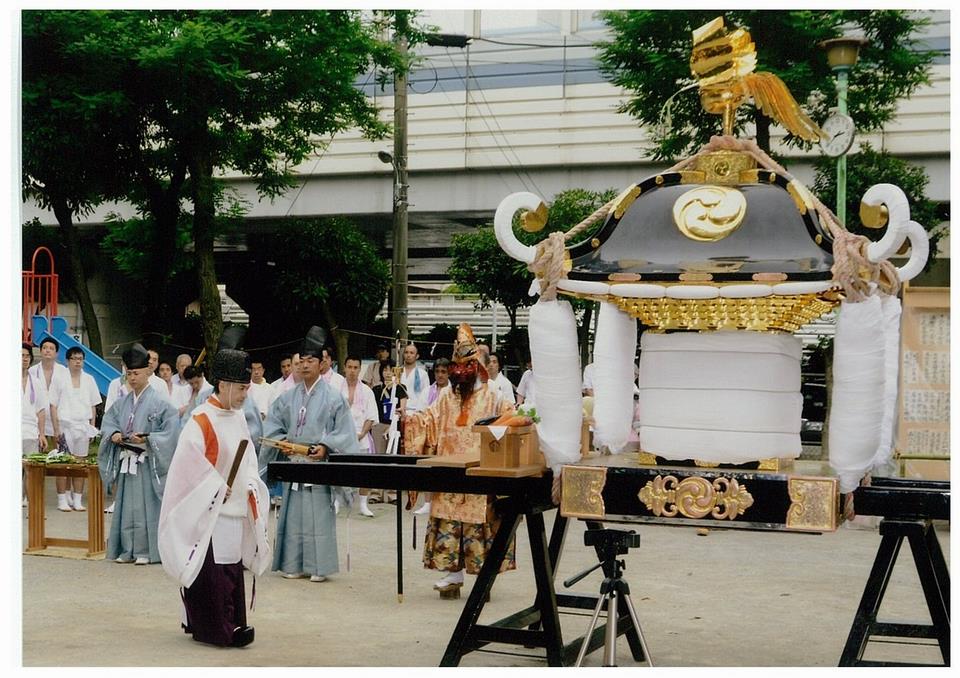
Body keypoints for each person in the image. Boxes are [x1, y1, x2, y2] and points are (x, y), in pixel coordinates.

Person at [158, 343, 270, 648]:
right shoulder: (200, 421)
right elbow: (188, 467)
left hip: (234, 506)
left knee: (232, 568)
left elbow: (249, 461)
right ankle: (215, 629)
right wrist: (217, 486)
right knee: (213, 573)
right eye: (242, 388)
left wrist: (248, 483)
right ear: (223, 385)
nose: (247, 394)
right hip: (210, 510)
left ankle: (233, 623)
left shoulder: (237, 416)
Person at [404, 323, 516, 596]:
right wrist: (412, 420)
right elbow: (429, 419)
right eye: (456, 367)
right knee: (448, 524)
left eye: (466, 366)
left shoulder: (495, 397)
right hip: (449, 469)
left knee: (481, 528)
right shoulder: (445, 396)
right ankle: (452, 576)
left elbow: (510, 421)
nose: (459, 373)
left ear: (477, 367)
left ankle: (483, 580)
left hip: (480, 472)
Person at [261, 326, 359, 582]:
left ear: (322, 363)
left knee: (317, 516)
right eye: (301, 361)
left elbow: (344, 433)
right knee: (293, 516)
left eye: (310, 361)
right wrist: (281, 442)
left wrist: (326, 446)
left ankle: (318, 567)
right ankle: (292, 564)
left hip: (317, 463)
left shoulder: (333, 397)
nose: (304, 366)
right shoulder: (287, 397)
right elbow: (272, 427)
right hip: (294, 462)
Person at [98, 343, 180, 564]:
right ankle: (127, 549)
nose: (132, 378)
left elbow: (172, 430)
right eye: (129, 374)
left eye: (136, 373)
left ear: (147, 372)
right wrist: (114, 433)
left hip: (146, 461)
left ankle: (144, 550)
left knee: (145, 508)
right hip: (127, 460)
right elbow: (108, 422)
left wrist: (149, 438)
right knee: (126, 506)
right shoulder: (123, 402)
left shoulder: (161, 402)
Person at [49, 346, 102, 511]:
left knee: (79, 464)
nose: (78, 362)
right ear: (67, 361)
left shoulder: (89, 379)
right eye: (74, 358)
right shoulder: (59, 378)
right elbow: (53, 405)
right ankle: (62, 499)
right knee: (63, 464)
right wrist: (56, 429)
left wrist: (92, 428)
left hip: (82, 425)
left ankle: (77, 498)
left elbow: (93, 406)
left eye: (80, 359)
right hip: (65, 424)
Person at [338, 354, 378, 517]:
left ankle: (363, 504)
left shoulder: (367, 391)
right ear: (344, 368)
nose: (352, 371)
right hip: (341, 437)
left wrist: (361, 434)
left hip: (361, 436)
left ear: (360, 370)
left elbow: (371, 416)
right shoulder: (336, 389)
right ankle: (337, 502)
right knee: (340, 471)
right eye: (350, 367)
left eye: (356, 368)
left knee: (364, 472)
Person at [27, 337, 70, 449]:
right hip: (39, 418)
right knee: (39, 453)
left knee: (58, 454)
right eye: (45, 348)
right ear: (40, 351)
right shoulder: (32, 371)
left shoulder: (64, 372)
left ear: (56, 353)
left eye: (51, 348)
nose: (47, 350)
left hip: (58, 418)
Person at [21, 343, 48, 506]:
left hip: (31, 431)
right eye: (20, 355)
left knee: (31, 471)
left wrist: (42, 434)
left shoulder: (36, 382)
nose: (23, 359)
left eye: (26, 356)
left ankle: (33, 508)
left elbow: (41, 410)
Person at [371, 361, 407, 455]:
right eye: (385, 370)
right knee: (378, 454)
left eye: (391, 370)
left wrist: (400, 412)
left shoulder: (400, 388)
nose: (388, 373)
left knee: (393, 454)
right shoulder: (376, 389)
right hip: (379, 425)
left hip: (394, 425)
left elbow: (403, 407)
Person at [400, 343, 430, 415]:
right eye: (406, 352)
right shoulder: (397, 371)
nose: (408, 355)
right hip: (399, 410)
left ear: (417, 356)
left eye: (412, 353)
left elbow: (426, 395)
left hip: (416, 411)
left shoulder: (423, 374)